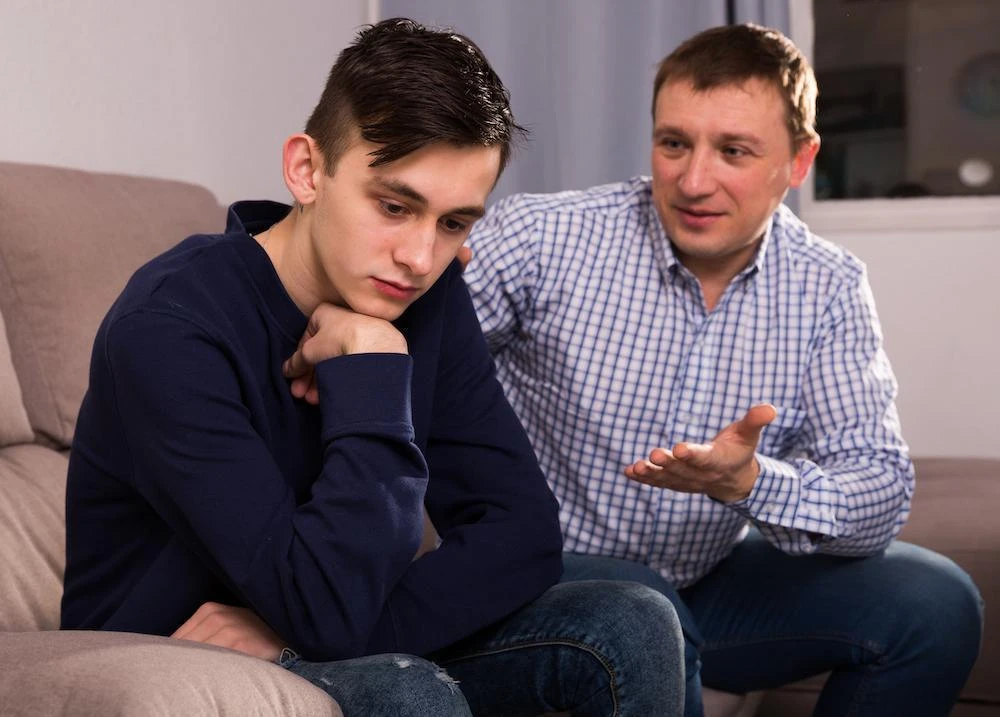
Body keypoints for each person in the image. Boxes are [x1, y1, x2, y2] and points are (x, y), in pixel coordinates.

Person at [60, 18, 685, 716]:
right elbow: (323, 605)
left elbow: (523, 530)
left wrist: (336, 631)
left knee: (635, 620)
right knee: (405, 689)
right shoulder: (171, 329)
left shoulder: (424, 296)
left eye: (454, 223)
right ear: (307, 169)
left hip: (308, 622)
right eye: (394, 206)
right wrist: (375, 372)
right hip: (174, 649)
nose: (420, 257)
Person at [464, 22, 983, 717]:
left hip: (705, 578)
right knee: (646, 613)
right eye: (674, 143)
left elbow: (880, 487)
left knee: (936, 602)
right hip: (546, 574)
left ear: (800, 162)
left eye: (733, 150)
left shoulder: (827, 287)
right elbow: (416, 346)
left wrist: (754, 483)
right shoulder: (542, 236)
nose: (693, 179)